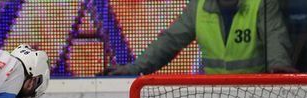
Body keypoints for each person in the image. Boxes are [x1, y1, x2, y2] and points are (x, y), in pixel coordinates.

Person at [104, 0, 297, 75]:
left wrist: (279, 67)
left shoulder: (261, 4)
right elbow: (169, 41)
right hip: (213, 93)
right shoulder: (199, 7)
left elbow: (275, 36)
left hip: (256, 92)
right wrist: (134, 69)